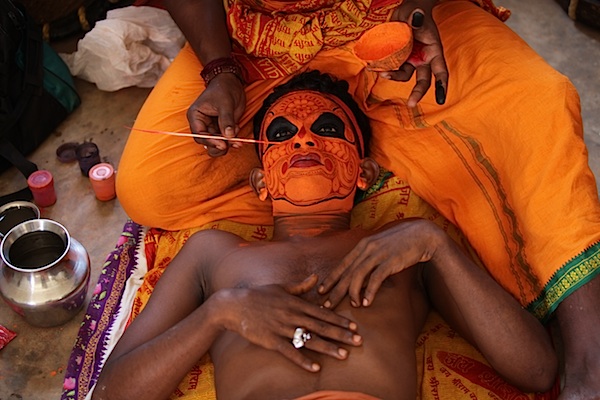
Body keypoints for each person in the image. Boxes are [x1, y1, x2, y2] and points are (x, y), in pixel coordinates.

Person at [115, 0, 600, 398]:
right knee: (146, 186)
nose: (304, 142)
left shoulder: (405, 249)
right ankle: (406, 134)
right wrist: (220, 70)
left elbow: (536, 370)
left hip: (386, 21)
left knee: (538, 99)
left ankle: (590, 364)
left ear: (364, 174)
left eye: (326, 131)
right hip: (257, 45)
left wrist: (433, 240)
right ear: (259, 180)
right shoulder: (215, 256)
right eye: (284, 134)